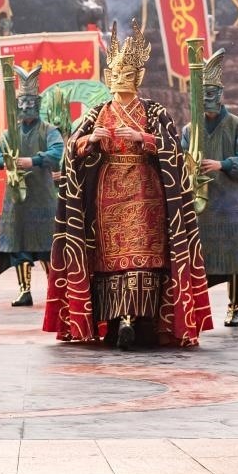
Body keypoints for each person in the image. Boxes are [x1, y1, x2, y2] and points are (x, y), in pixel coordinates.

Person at [43, 21, 213, 349]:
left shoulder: (154, 110)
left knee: (145, 257)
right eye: (116, 73)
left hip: (147, 193)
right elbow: (72, 148)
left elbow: (174, 149)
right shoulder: (98, 112)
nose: (121, 78)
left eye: (127, 73)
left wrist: (143, 138)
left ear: (139, 76)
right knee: (110, 259)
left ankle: (137, 321)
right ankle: (119, 320)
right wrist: (90, 140)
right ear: (108, 77)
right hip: (107, 197)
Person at [180, 49, 238, 327]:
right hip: (201, 204)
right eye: (202, 95)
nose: (207, 100)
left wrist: (222, 164)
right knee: (198, 257)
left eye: (211, 93)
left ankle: (235, 308)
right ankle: (196, 309)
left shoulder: (237, 126)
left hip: (231, 203)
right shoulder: (190, 130)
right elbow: (181, 161)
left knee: (235, 258)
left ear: (220, 94)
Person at [0, 63, 63, 307]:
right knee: (19, 242)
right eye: (22, 103)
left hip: (42, 196)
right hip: (16, 198)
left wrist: (33, 161)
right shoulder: (9, 133)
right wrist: (4, 161)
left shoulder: (49, 130)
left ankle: (54, 288)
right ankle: (24, 290)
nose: (25, 107)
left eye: (30, 103)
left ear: (38, 104)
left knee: (46, 243)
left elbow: (57, 152)